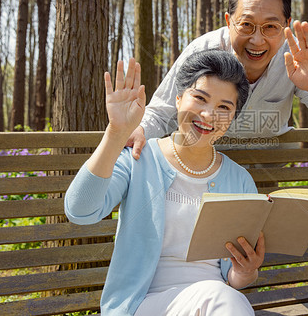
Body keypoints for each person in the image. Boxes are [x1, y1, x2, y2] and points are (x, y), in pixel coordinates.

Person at [64, 50, 264, 316]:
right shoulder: (139, 159)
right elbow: (80, 211)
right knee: (220, 298)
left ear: (232, 118)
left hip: (214, 305)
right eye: (200, 98)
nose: (207, 115)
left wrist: (245, 270)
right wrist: (115, 133)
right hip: (141, 305)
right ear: (179, 99)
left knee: (222, 297)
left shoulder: (239, 180)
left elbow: (233, 280)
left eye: (224, 107)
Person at [127, 0, 308, 160]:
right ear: (229, 22)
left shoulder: (298, 58)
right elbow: (161, 112)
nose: (257, 40)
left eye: (270, 27)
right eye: (246, 24)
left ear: (286, 25)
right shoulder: (203, 51)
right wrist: (141, 130)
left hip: (267, 176)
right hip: (203, 171)